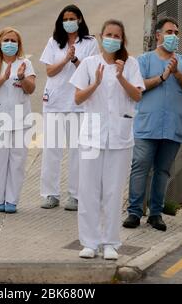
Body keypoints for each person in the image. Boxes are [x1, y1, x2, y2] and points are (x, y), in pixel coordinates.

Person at [70, 20, 145, 260]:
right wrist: (96, 84)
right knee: (89, 190)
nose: (112, 38)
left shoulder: (131, 64)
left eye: (117, 35)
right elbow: (78, 98)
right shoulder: (90, 64)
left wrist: (121, 76)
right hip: (92, 136)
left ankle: (111, 242)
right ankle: (90, 242)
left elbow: (137, 95)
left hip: (120, 138)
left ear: (122, 40)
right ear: (101, 36)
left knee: (113, 192)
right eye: (109, 34)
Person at [123, 17, 182, 232]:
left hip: (173, 127)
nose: (173, 36)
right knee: (140, 167)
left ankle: (156, 214)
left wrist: (176, 73)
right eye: (169, 32)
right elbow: (137, 86)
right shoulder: (144, 60)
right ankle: (134, 212)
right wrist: (163, 77)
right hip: (148, 126)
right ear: (158, 35)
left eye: (176, 32)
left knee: (162, 171)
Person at [39, 5, 99, 211]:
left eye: (72, 18)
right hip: (55, 101)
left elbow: (89, 71)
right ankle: (49, 193)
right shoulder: (54, 41)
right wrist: (65, 58)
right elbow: (49, 71)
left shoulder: (90, 43)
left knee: (76, 151)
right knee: (51, 150)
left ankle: (75, 195)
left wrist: (74, 59)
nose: (68, 22)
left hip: (77, 102)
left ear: (80, 19)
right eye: (65, 18)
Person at [0, 27, 36, 214]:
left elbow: (31, 89)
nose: (10, 44)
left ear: (19, 44)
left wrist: (21, 77)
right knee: (0, 161)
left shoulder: (25, 64)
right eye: (7, 40)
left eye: (14, 41)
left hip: (21, 120)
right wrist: (3, 77)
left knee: (17, 161)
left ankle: (12, 200)